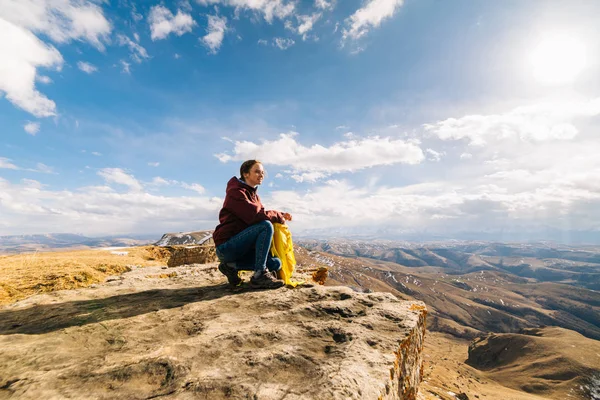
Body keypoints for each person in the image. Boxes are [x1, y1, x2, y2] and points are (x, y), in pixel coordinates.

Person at [213, 160, 292, 289]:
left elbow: (260, 214)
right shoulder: (236, 192)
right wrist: (278, 215)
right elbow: (256, 216)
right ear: (245, 174)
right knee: (265, 225)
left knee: (275, 263)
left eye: (262, 173)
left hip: (242, 248)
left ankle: (230, 266)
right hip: (227, 247)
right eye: (257, 172)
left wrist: (280, 215)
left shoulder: (254, 195)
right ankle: (259, 276)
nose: (261, 175)